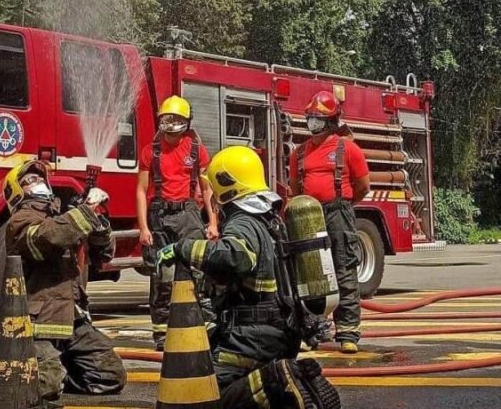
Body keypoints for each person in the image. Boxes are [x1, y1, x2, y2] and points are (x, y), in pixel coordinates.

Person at [155, 146, 340, 409]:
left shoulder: (242, 221)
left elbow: (236, 256)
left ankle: (280, 381)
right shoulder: (268, 218)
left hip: (251, 336)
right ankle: (286, 382)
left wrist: (182, 248)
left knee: (203, 391)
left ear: (226, 183)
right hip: (277, 330)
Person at [4, 160, 127, 406]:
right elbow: (47, 239)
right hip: (39, 324)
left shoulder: (64, 216)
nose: (37, 184)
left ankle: (59, 368)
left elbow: (104, 255)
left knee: (111, 375)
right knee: (44, 387)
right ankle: (24, 372)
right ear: (16, 193)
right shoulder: (20, 221)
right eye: (28, 181)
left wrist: (99, 224)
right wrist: (84, 212)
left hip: (72, 319)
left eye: (39, 179)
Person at [289, 90, 370, 354]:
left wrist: (342, 205)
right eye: (310, 117)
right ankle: (311, 331)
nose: (313, 123)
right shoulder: (299, 153)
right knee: (308, 272)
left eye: (318, 118)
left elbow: (362, 186)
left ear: (332, 121)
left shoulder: (348, 149)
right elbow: (294, 188)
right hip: (308, 217)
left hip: (338, 213)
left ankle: (347, 333)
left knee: (344, 269)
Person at [136, 95, 218, 350]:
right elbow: (141, 190)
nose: (170, 126)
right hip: (159, 216)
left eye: (175, 120)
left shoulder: (195, 149)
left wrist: (213, 222)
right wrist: (143, 228)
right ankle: (162, 334)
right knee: (162, 277)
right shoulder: (151, 151)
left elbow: (207, 190)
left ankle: (205, 327)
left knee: (197, 271)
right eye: (166, 120)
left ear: (185, 122)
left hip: (188, 214)